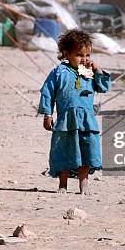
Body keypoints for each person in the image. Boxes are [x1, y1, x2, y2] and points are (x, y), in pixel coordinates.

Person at [39, 30, 111, 195]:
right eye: (79, 55)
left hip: (86, 122)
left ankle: (84, 183)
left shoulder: (89, 72)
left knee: (86, 150)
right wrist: (48, 114)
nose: (84, 59)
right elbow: (47, 93)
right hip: (66, 121)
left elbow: (103, 87)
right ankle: (63, 184)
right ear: (66, 54)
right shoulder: (58, 72)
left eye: (87, 55)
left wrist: (98, 70)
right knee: (63, 150)